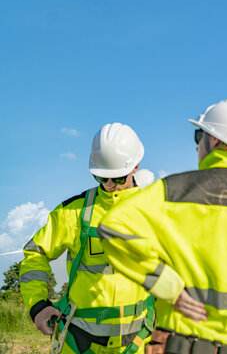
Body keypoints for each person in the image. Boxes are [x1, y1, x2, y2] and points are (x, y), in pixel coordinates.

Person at [97, 99, 227, 354]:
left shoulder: (177, 191)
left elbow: (112, 227)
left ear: (215, 141)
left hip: (187, 344)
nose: (196, 147)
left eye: (198, 136)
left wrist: (167, 285)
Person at [19, 123, 154, 354]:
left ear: (135, 167)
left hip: (139, 343)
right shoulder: (73, 212)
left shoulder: (155, 209)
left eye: (118, 178)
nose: (109, 186)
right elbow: (35, 253)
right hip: (78, 342)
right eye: (101, 177)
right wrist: (37, 306)